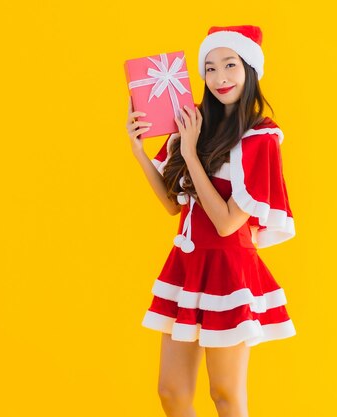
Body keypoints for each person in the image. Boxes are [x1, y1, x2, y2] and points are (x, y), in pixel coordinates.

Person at [125, 25, 297, 417]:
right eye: (210, 68)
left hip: (228, 268)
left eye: (230, 65)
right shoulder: (196, 124)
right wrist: (138, 151)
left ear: (250, 69)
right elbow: (174, 206)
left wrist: (189, 150)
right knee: (171, 392)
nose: (220, 78)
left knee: (225, 393)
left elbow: (225, 224)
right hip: (187, 266)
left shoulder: (261, 138)